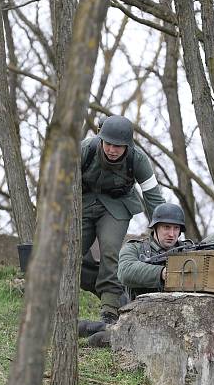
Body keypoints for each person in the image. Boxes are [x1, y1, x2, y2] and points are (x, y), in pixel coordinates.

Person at [78, 115, 165, 339]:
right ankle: (52, 300)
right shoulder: (85, 150)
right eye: (108, 144)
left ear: (127, 146)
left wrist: (162, 225)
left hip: (116, 207)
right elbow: (58, 183)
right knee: (70, 250)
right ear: (100, 139)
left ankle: (109, 309)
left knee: (110, 251)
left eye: (118, 146)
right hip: (82, 203)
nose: (112, 150)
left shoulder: (138, 160)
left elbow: (153, 197)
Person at [85, 202, 188, 348]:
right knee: (99, 338)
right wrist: (162, 273)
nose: (171, 234)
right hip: (138, 317)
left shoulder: (189, 252)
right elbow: (125, 271)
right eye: (166, 227)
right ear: (155, 227)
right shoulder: (135, 248)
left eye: (176, 228)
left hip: (177, 320)